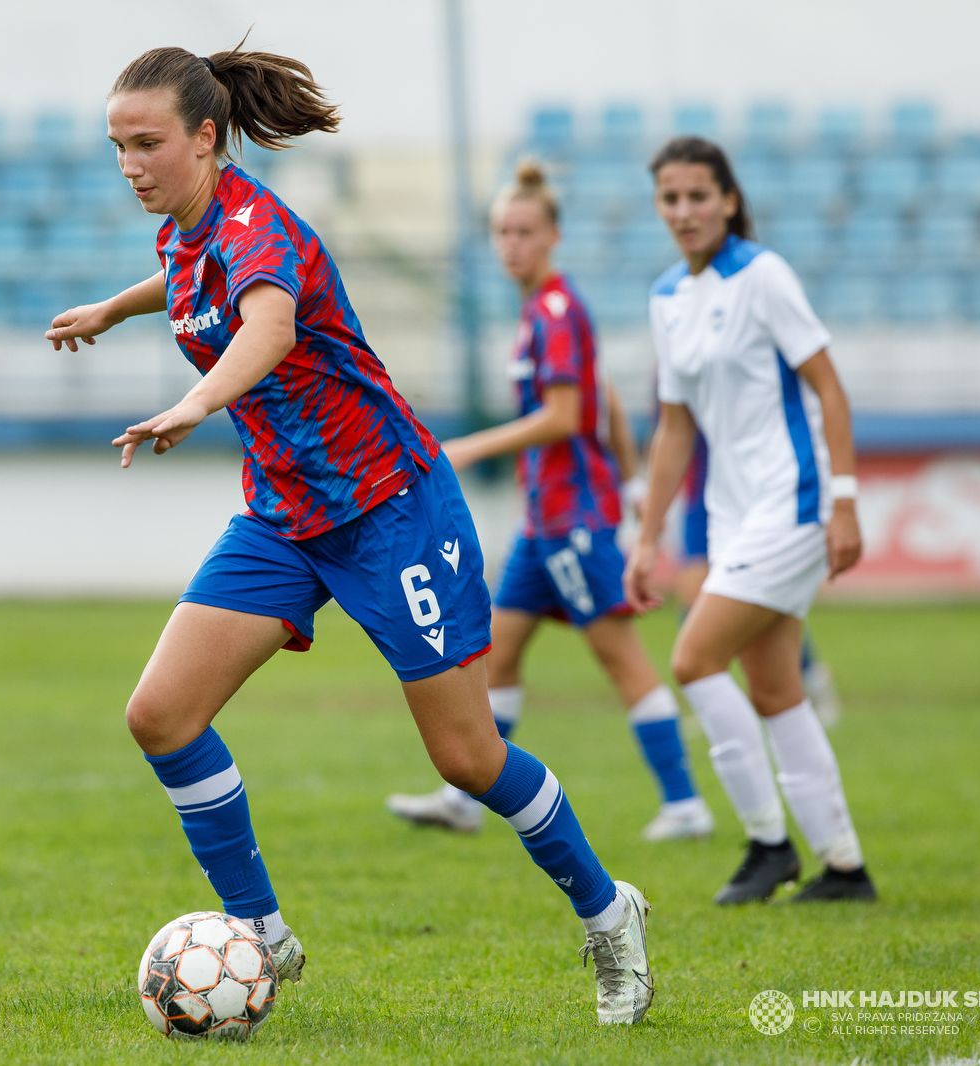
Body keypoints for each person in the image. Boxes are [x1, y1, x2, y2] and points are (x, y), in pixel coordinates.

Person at [46, 43, 654, 1024]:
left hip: (389, 510)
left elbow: (268, 325)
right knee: (159, 714)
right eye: (117, 147)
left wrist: (192, 404)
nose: (130, 165)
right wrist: (114, 309)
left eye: (147, 144)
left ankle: (607, 910)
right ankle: (260, 934)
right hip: (284, 516)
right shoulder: (182, 230)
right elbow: (185, 285)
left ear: (205, 139)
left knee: (466, 758)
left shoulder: (258, 226)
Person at [384, 160, 712, 842]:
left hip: (573, 520)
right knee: (495, 653)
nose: (512, 244)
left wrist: (473, 448)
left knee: (619, 657)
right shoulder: (539, 312)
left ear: (553, 235)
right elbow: (606, 397)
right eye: (502, 232)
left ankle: (686, 804)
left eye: (525, 231)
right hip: (544, 523)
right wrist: (630, 473)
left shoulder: (557, 310)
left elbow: (566, 415)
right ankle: (466, 799)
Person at [626, 137, 875, 904]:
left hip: (794, 504)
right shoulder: (667, 296)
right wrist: (647, 536)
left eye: (699, 195)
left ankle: (768, 844)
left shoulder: (763, 275)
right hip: (730, 516)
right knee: (775, 692)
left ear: (728, 200)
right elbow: (674, 427)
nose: (684, 210)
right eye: (670, 198)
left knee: (694, 658)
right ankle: (844, 867)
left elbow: (829, 389)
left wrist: (844, 499)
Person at [670, 432, 843, 728]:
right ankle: (714, 703)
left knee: (764, 602)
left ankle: (811, 678)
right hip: (700, 499)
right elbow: (670, 433)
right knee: (692, 594)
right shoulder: (667, 385)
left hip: (751, 499)